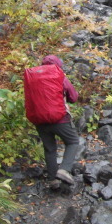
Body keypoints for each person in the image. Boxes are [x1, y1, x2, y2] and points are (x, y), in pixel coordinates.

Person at [35, 55, 80, 188]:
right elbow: (73, 97)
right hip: (59, 119)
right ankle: (64, 170)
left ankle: (53, 180)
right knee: (73, 141)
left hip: (39, 120)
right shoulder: (59, 76)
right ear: (58, 65)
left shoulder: (34, 78)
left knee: (49, 149)